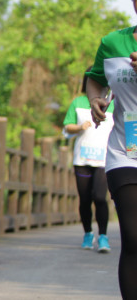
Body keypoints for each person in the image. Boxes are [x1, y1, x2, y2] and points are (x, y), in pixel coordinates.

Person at [87, 0, 137, 299]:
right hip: (125, 152)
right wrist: (96, 99)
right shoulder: (113, 42)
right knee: (133, 238)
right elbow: (95, 79)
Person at [63, 67, 114, 252]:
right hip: (82, 160)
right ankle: (87, 233)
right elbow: (67, 126)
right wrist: (79, 127)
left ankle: (103, 237)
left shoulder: (113, 103)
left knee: (100, 197)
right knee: (85, 199)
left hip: (104, 160)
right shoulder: (78, 102)